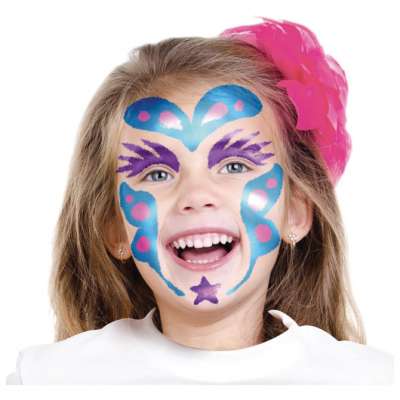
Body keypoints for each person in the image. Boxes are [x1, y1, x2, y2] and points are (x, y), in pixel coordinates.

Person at [6, 17, 393, 385]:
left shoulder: (369, 381)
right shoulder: (51, 378)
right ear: (114, 227)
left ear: (295, 210)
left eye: (235, 165)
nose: (196, 196)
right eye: (157, 173)